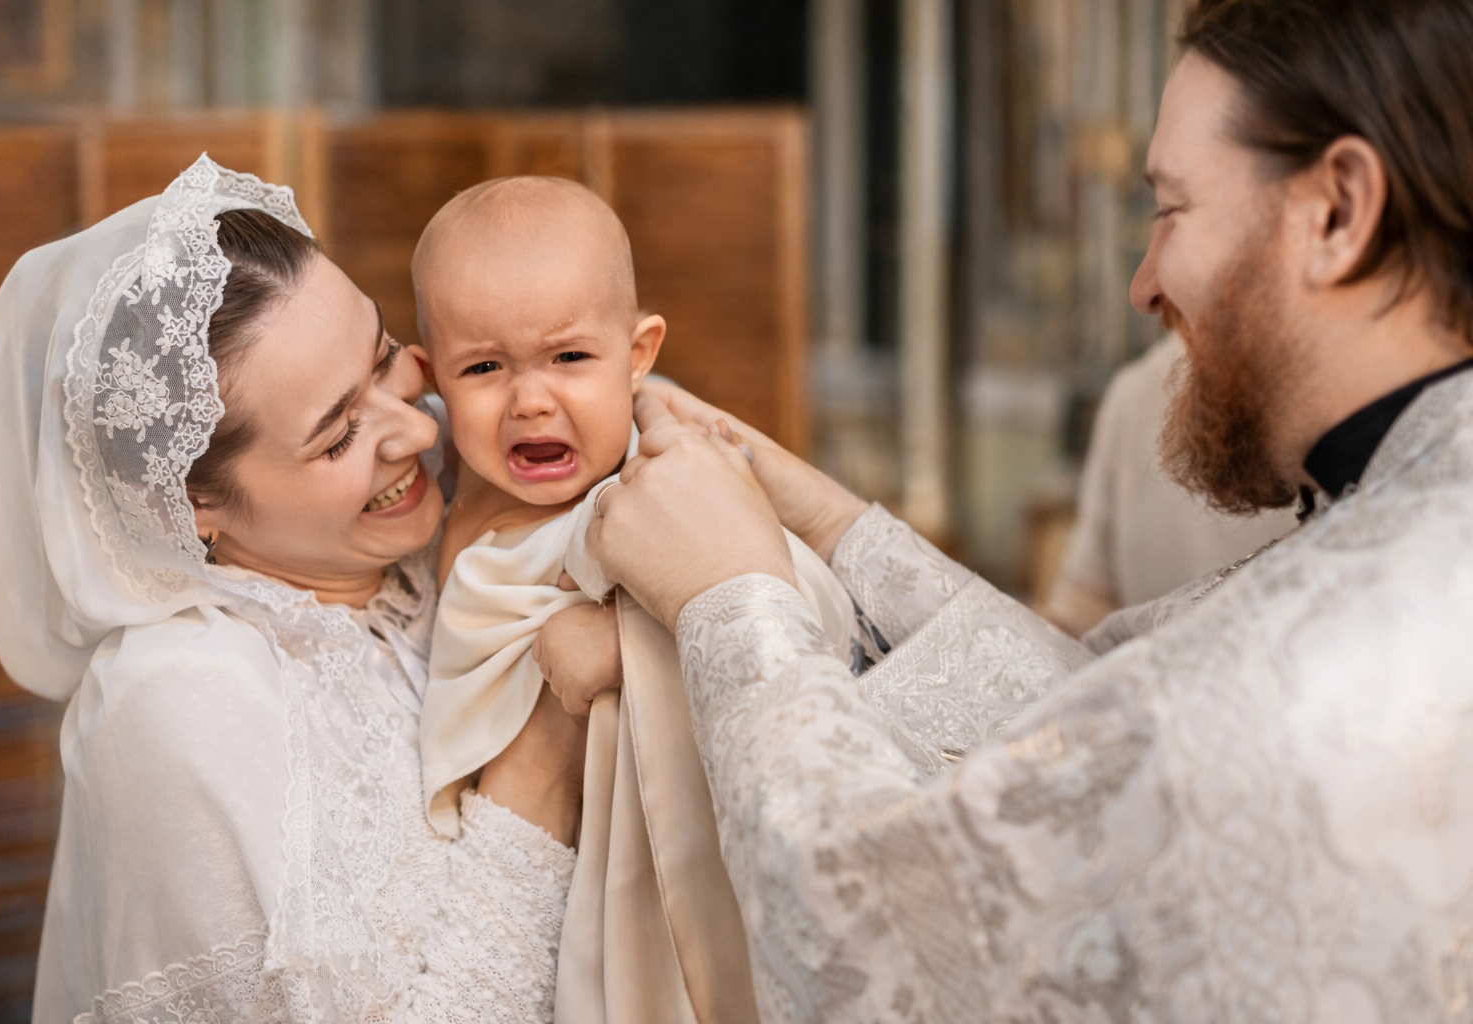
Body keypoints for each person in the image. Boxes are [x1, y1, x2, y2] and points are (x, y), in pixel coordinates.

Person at [574, 1, 1473, 1020]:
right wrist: (827, 524)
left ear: (1339, 210)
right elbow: (1095, 733)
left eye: (1171, 210)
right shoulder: (1421, 508)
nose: (1142, 285)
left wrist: (733, 601)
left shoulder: (1323, 653)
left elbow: (878, 940)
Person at [0, 157, 589, 1022]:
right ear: (194, 504)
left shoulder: (461, 494)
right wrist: (543, 758)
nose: (418, 427)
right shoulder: (180, 704)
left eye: (385, 360)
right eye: (339, 436)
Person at [410, 176, 856, 1023]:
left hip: (651, 879)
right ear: (435, 378)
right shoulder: (435, 503)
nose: (531, 398)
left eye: (570, 358)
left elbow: (798, 603)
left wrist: (629, 640)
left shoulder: (663, 488)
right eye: (483, 367)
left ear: (639, 352)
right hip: (516, 872)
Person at [1043, 332, 1296, 637]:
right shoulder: (1133, 393)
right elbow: (1083, 609)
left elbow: (1081, 613)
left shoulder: (1131, 390)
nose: (1143, 294)